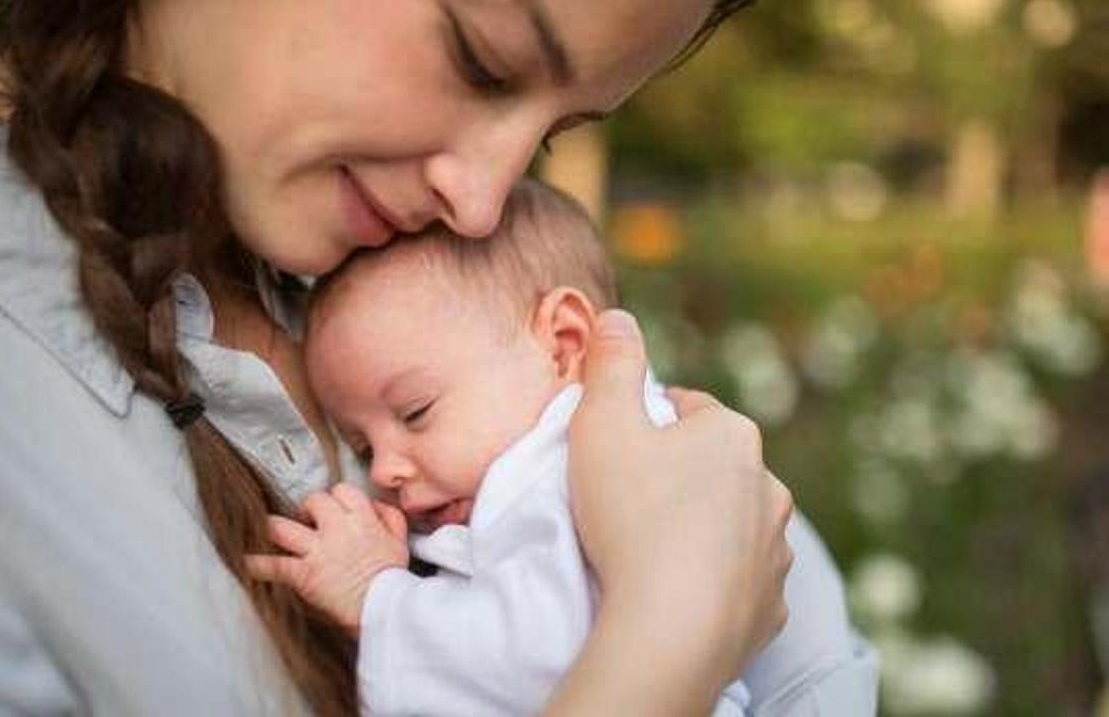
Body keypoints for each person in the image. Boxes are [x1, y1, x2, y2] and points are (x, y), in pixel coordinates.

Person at [0, 0, 793, 715]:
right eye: (480, 59)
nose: (484, 201)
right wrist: (671, 626)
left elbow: (811, 664)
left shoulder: (421, 283)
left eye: (553, 134)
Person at [248, 178, 877, 715]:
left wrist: (380, 599)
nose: (384, 469)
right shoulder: (532, 467)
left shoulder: (567, 476)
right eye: (359, 445)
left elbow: (562, 656)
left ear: (563, 344)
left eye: (416, 412)